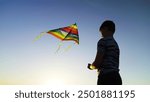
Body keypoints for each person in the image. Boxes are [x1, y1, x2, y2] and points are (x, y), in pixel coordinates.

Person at [88, 20, 122, 85]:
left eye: (101, 31)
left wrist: (91, 67)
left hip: (106, 77)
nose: (101, 34)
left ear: (105, 28)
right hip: (117, 78)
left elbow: (97, 64)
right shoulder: (116, 45)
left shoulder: (103, 41)